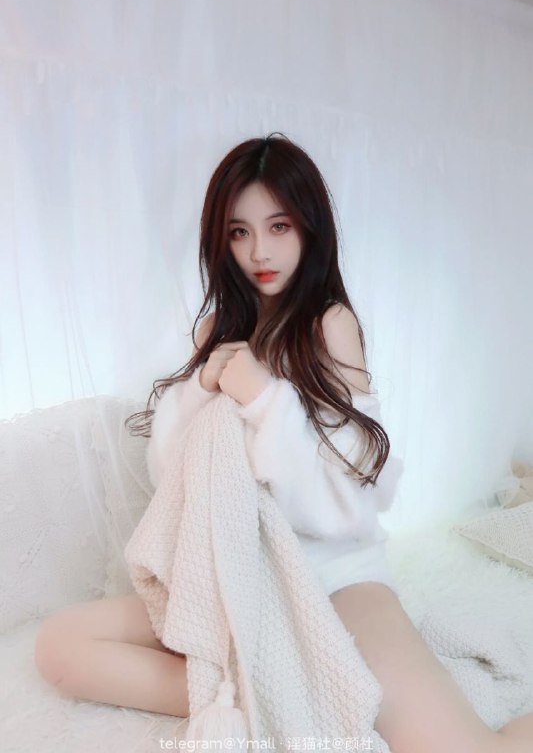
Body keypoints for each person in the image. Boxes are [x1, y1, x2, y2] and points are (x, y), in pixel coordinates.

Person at [34, 133, 533, 752]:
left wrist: (267, 402)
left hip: (336, 581)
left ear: (309, 228)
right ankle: (271, 685)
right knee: (60, 647)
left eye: (278, 226)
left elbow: (354, 506)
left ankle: (278, 680)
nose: (259, 252)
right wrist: (199, 391)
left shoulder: (330, 325)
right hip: (231, 576)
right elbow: (179, 478)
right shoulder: (218, 329)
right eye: (239, 232)